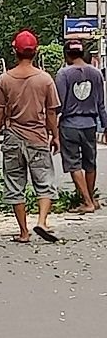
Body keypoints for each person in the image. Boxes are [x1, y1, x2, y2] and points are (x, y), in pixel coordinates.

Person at [0, 30, 61, 243]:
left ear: (15, 51)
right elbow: (51, 112)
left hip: (12, 137)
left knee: (14, 184)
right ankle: (41, 221)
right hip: (38, 137)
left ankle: (23, 232)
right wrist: (55, 136)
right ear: (36, 51)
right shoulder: (45, 79)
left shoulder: (4, 79)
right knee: (45, 181)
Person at [55, 39, 107, 213]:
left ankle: (87, 201)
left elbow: (59, 105)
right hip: (90, 124)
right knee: (90, 163)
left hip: (69, 125)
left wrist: (53, 130)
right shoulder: (96, 73)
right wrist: (105, 126)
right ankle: (90, 198)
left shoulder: (63, 74)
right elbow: (101, 104)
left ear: (67, 55)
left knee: (73, 164)